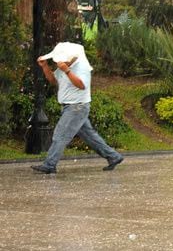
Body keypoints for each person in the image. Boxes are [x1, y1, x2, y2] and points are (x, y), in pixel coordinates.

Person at [31, 42, 123, 174]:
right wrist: (45, 66)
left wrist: (66, 71)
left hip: (77, 107)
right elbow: (53, 81)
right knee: (89, 136)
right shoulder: (64, 67)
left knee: (60, 134)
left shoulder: (81, 68)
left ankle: (50, 164)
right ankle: (113, 156)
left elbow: (81, 85)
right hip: (71, 106)